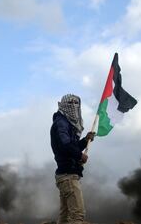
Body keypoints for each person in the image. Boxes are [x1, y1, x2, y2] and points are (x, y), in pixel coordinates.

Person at [50, 94, 95, 224]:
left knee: (65, 216)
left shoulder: (66, 124)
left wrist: (85, 141)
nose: (74, 106)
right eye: (71, 103)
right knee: (77, 215)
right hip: (68, 176)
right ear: (63, 105)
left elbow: (71, 146)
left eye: (76, 103)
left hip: (65, 175)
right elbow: (65, 145)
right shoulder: (61, 123)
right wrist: (80, 155)